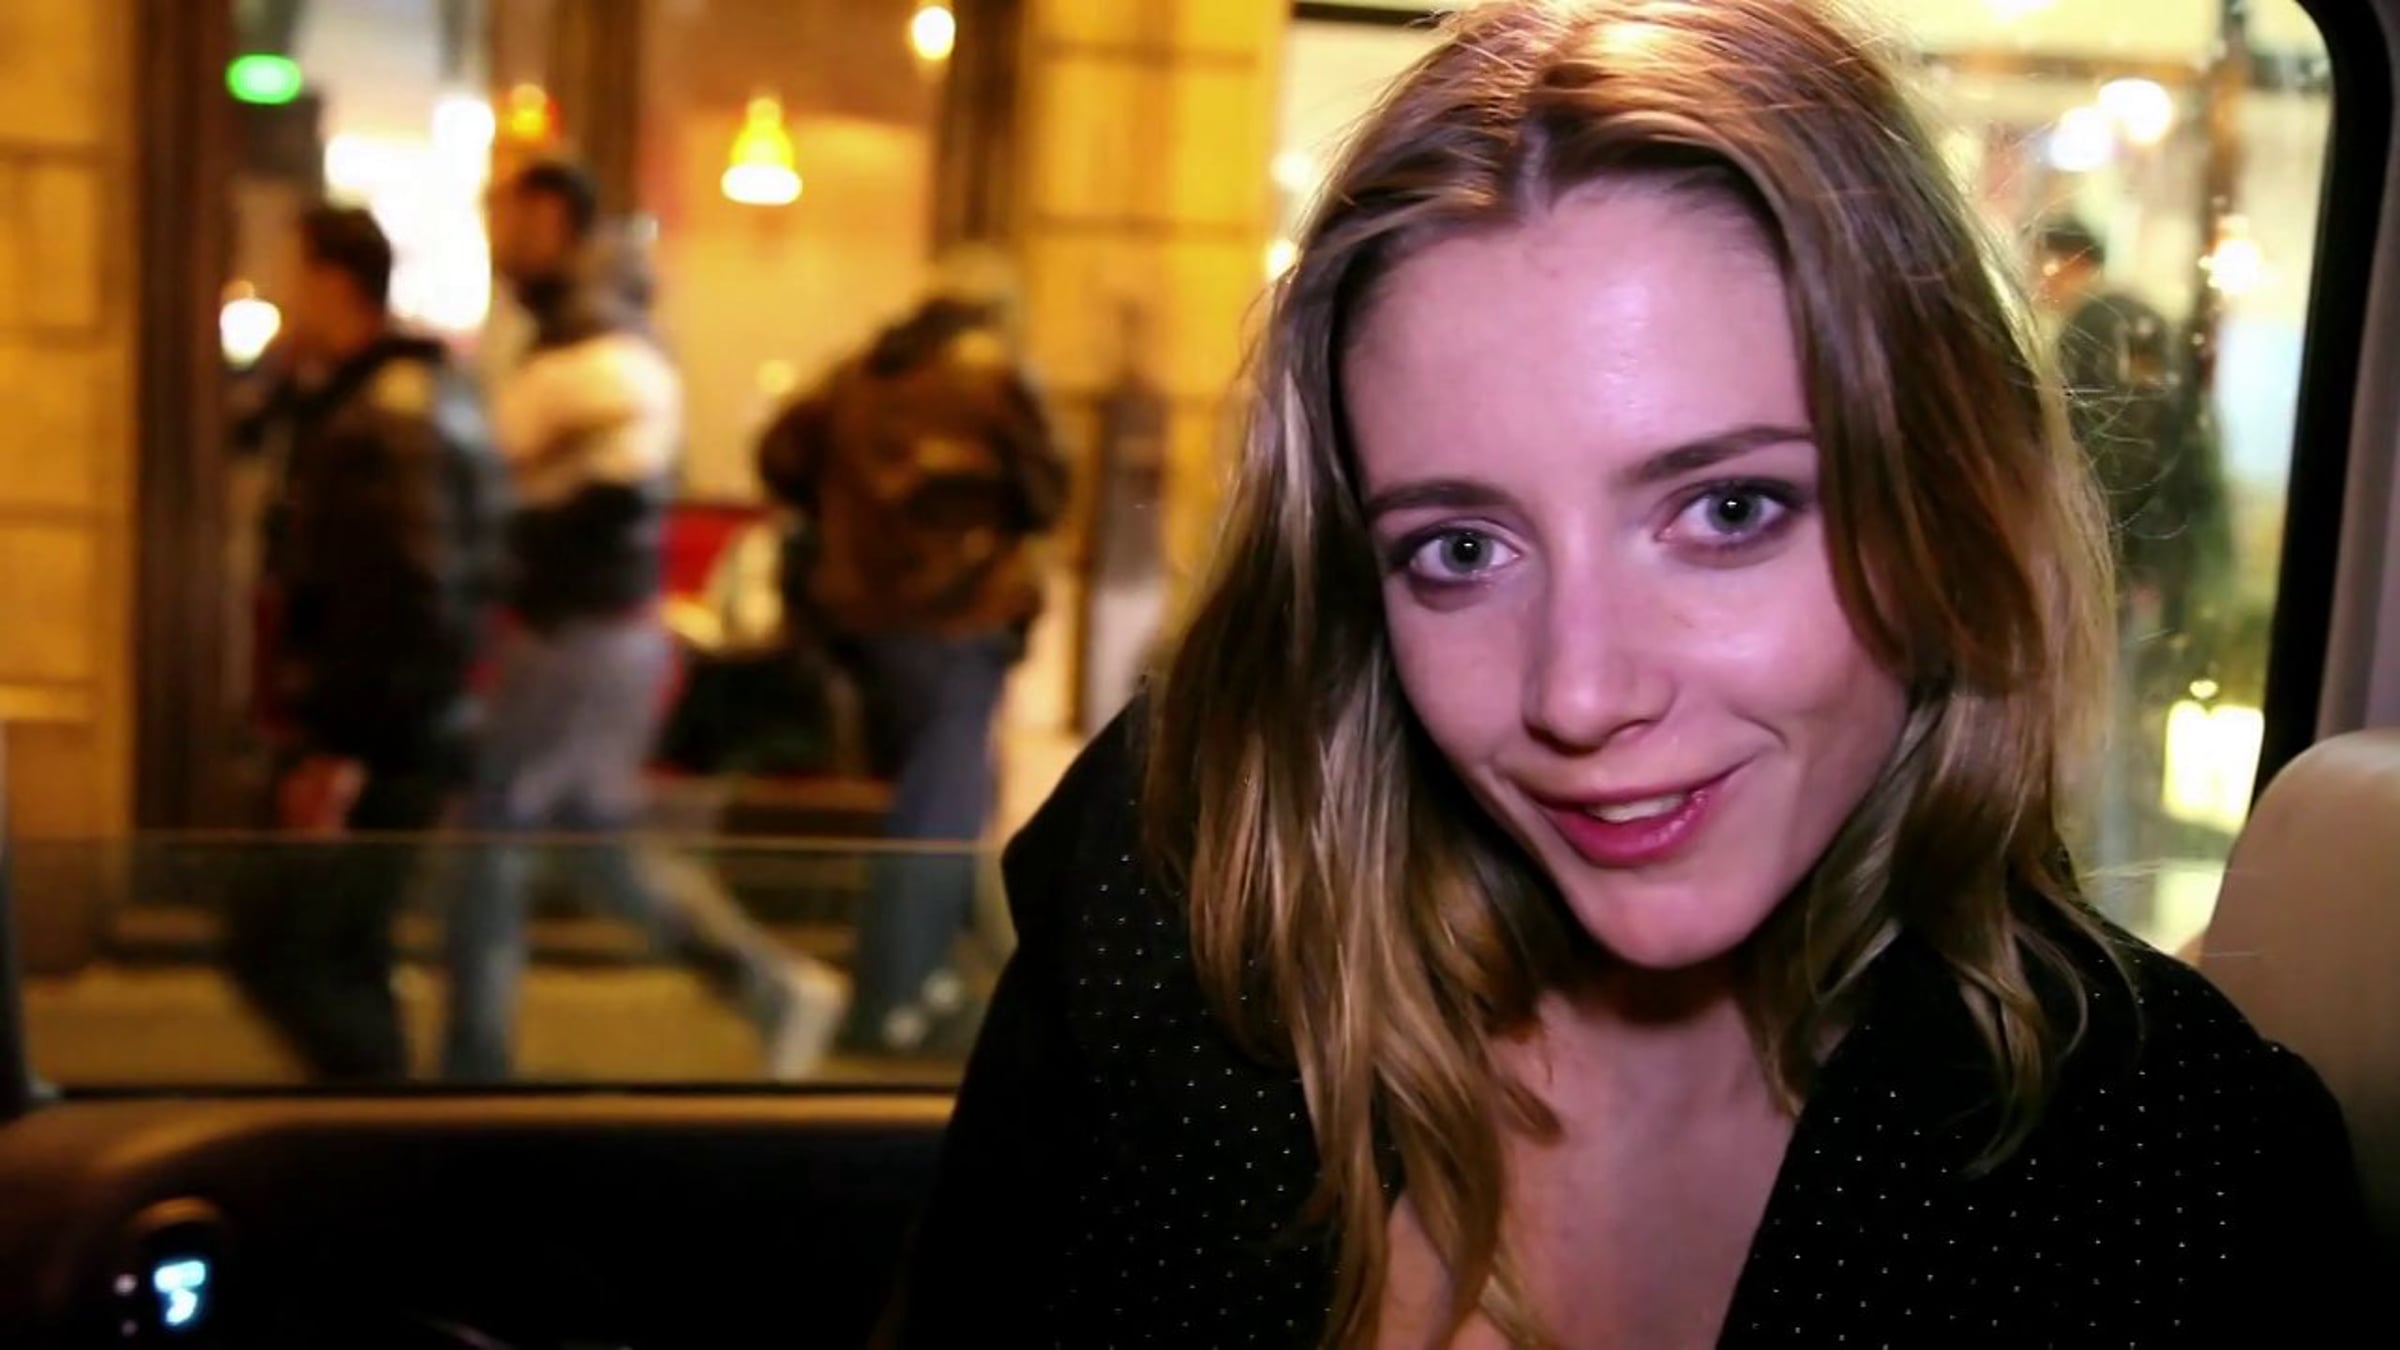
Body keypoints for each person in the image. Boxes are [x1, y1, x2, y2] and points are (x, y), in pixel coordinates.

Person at [890, 3, 2369, 1346]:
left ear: (1952, 504)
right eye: (1462, 548)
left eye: (1728, 510)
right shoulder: (1185, 888)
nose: (1579, 695)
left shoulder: (2175, 1172)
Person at [442, 160, 845, 1082]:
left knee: (494, 839)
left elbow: (512, 476)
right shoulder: (587, 330)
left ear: (551, 216)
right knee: (595, 851)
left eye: (505, 214)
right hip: (589, 627)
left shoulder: (594, 343)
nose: (494, 236)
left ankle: (472, 1068)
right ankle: (769, 986)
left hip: (577, 632)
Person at [757, 245, 1068, 1057]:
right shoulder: (995, 377)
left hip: (866, 621)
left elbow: (779, 456)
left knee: (948, 793)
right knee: (940, 810)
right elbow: (1047, 489)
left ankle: (969, 980)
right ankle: (894, 999)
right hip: (962, 617)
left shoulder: (859, 370)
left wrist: (846, 521)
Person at [223, 205, 502, 1081]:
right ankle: (372, 1126)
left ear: (332, 281)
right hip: (386, 730)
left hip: (380, 736)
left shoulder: (387, 414)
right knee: (340, 949)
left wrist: (339, 747)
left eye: (292, 272)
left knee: (288, 946)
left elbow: (409, 596)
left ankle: (378, 1129)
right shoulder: (362, 397)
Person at [2033, 216, 2235, 879]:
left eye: (2044, 266)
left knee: (2111, 737)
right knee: (2129, 737)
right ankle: (2121, 887)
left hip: (2126, 570)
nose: (2041, 284)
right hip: (2155, 565)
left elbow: (2121, 453)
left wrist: (2122, 561)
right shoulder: (2134, 321)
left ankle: (2110, 891)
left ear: (2066, 261)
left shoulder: (2102, 324)